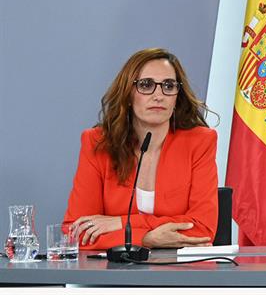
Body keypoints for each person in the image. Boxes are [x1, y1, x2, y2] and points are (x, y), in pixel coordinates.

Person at [63, 48, 218, 251]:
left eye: (168, 86)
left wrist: (121, 223)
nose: (158, 96)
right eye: (146, 85)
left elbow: (202, 230)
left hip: (182, 274)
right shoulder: (97, 143)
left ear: (176, 97)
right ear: (128, 93)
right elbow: (77, 232)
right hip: (114, 276)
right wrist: (145, 239)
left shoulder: (200, 142)